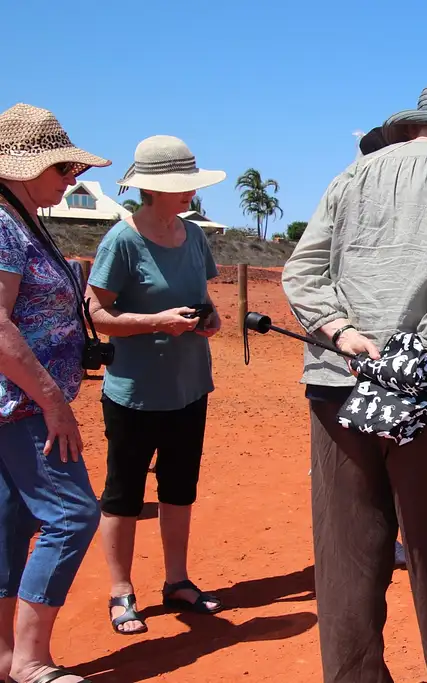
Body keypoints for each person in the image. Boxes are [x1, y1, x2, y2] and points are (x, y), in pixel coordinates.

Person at [281, 79, 427, 683]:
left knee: (347, 557)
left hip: (339, 381)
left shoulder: (350, 176)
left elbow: (301, 272)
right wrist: (414, 354)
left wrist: (340, 332)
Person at [84, 135, 227, 635]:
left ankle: (177, 580)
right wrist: (155, 322)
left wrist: (210, 322)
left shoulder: (194, 236)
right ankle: (121, 590)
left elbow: (205, 299)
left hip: (190, 386)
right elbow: (98, 314)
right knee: (123, 492)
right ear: (152, 190)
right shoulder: (122, 240)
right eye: (179, 186)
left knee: (179, 489)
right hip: (134, 391)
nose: (189, 193)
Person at [0, 103, 109, 683]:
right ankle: (31, 660)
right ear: (22, 167)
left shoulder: (23, 218)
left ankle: (5, 658)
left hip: (17, 404)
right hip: (21, 404)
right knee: (71, 514)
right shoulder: (2, 223)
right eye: (64, 167)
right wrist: (52, 399)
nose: (74, 178)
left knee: (12, 521)